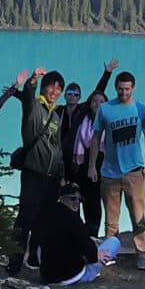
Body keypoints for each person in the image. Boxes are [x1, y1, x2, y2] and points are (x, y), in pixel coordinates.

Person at [93, 70, 145, 270]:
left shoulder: (140, 109)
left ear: (133, 88)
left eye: (127, 89)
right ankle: (109, 253)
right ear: (116, 88)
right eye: (120, 89)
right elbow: (95, 138)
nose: (123, 92)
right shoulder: (105, 109)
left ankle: (142, 252)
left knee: (138, 215)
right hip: (110, 172)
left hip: (134, 171)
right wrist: (91, 166)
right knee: (111, 219)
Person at [0, 66, 56, 275]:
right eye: (51, 86)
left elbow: (56, 146)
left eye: (59, 88)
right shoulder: (34, 106)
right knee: (24, 220)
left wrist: (61, 173)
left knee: (43, 220)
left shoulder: (55, 115)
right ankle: (14, 264)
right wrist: (32, 80)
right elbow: (29, 96)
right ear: (44, 88)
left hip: (50, 177)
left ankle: (35, 259)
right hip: (33, 173)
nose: (55, 91)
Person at [60, 60, 115, 237]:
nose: (97, 103)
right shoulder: (79, 114)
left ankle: (91, 237)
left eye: (76, 94)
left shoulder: (106, 121)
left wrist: (107, 74)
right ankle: (73, 236)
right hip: (74, 166)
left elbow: (98, 91)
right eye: (70, 92)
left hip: (96, 168)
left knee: (92, 203)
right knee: (71, 200)